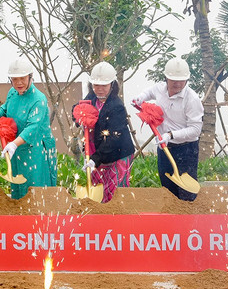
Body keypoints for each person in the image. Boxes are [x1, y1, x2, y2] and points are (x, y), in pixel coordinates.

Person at [132, 57, 203, 201]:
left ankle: (187, 220)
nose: (177, 83)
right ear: (166, 78)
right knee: (167, 189)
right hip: (164, 148)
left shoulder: (192, 99)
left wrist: (171, 135)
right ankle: (171, 218)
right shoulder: (160, 88)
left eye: (181, 80)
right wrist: (140, 97)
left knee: (186, 194)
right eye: (173, 79)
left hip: (186, 149)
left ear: (187, 80)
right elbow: (149, 92)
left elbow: (195, 129)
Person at [0, 58, 57, 200]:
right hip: (17, 147)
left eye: (22, 78)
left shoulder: (39, 99)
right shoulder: (13, 92)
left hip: (36, 148)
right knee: (18, 186)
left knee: (34, 187)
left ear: (30, 76)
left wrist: (13, 144)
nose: (18, 83)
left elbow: (33, 127)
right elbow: (6, 107)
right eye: (14, 79)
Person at [76, 61, 135, 203]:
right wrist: (77, 116)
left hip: (118, 153)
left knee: (114, 195)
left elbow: (114, 139)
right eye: (96, 85)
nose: (100, 89)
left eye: (104, 85)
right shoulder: (91, 98)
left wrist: (95, 159)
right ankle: (99, 221)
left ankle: (116, 221)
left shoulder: (117, 106)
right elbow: (78, 109)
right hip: (97, 151)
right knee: (98, 193)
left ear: (112, 85)